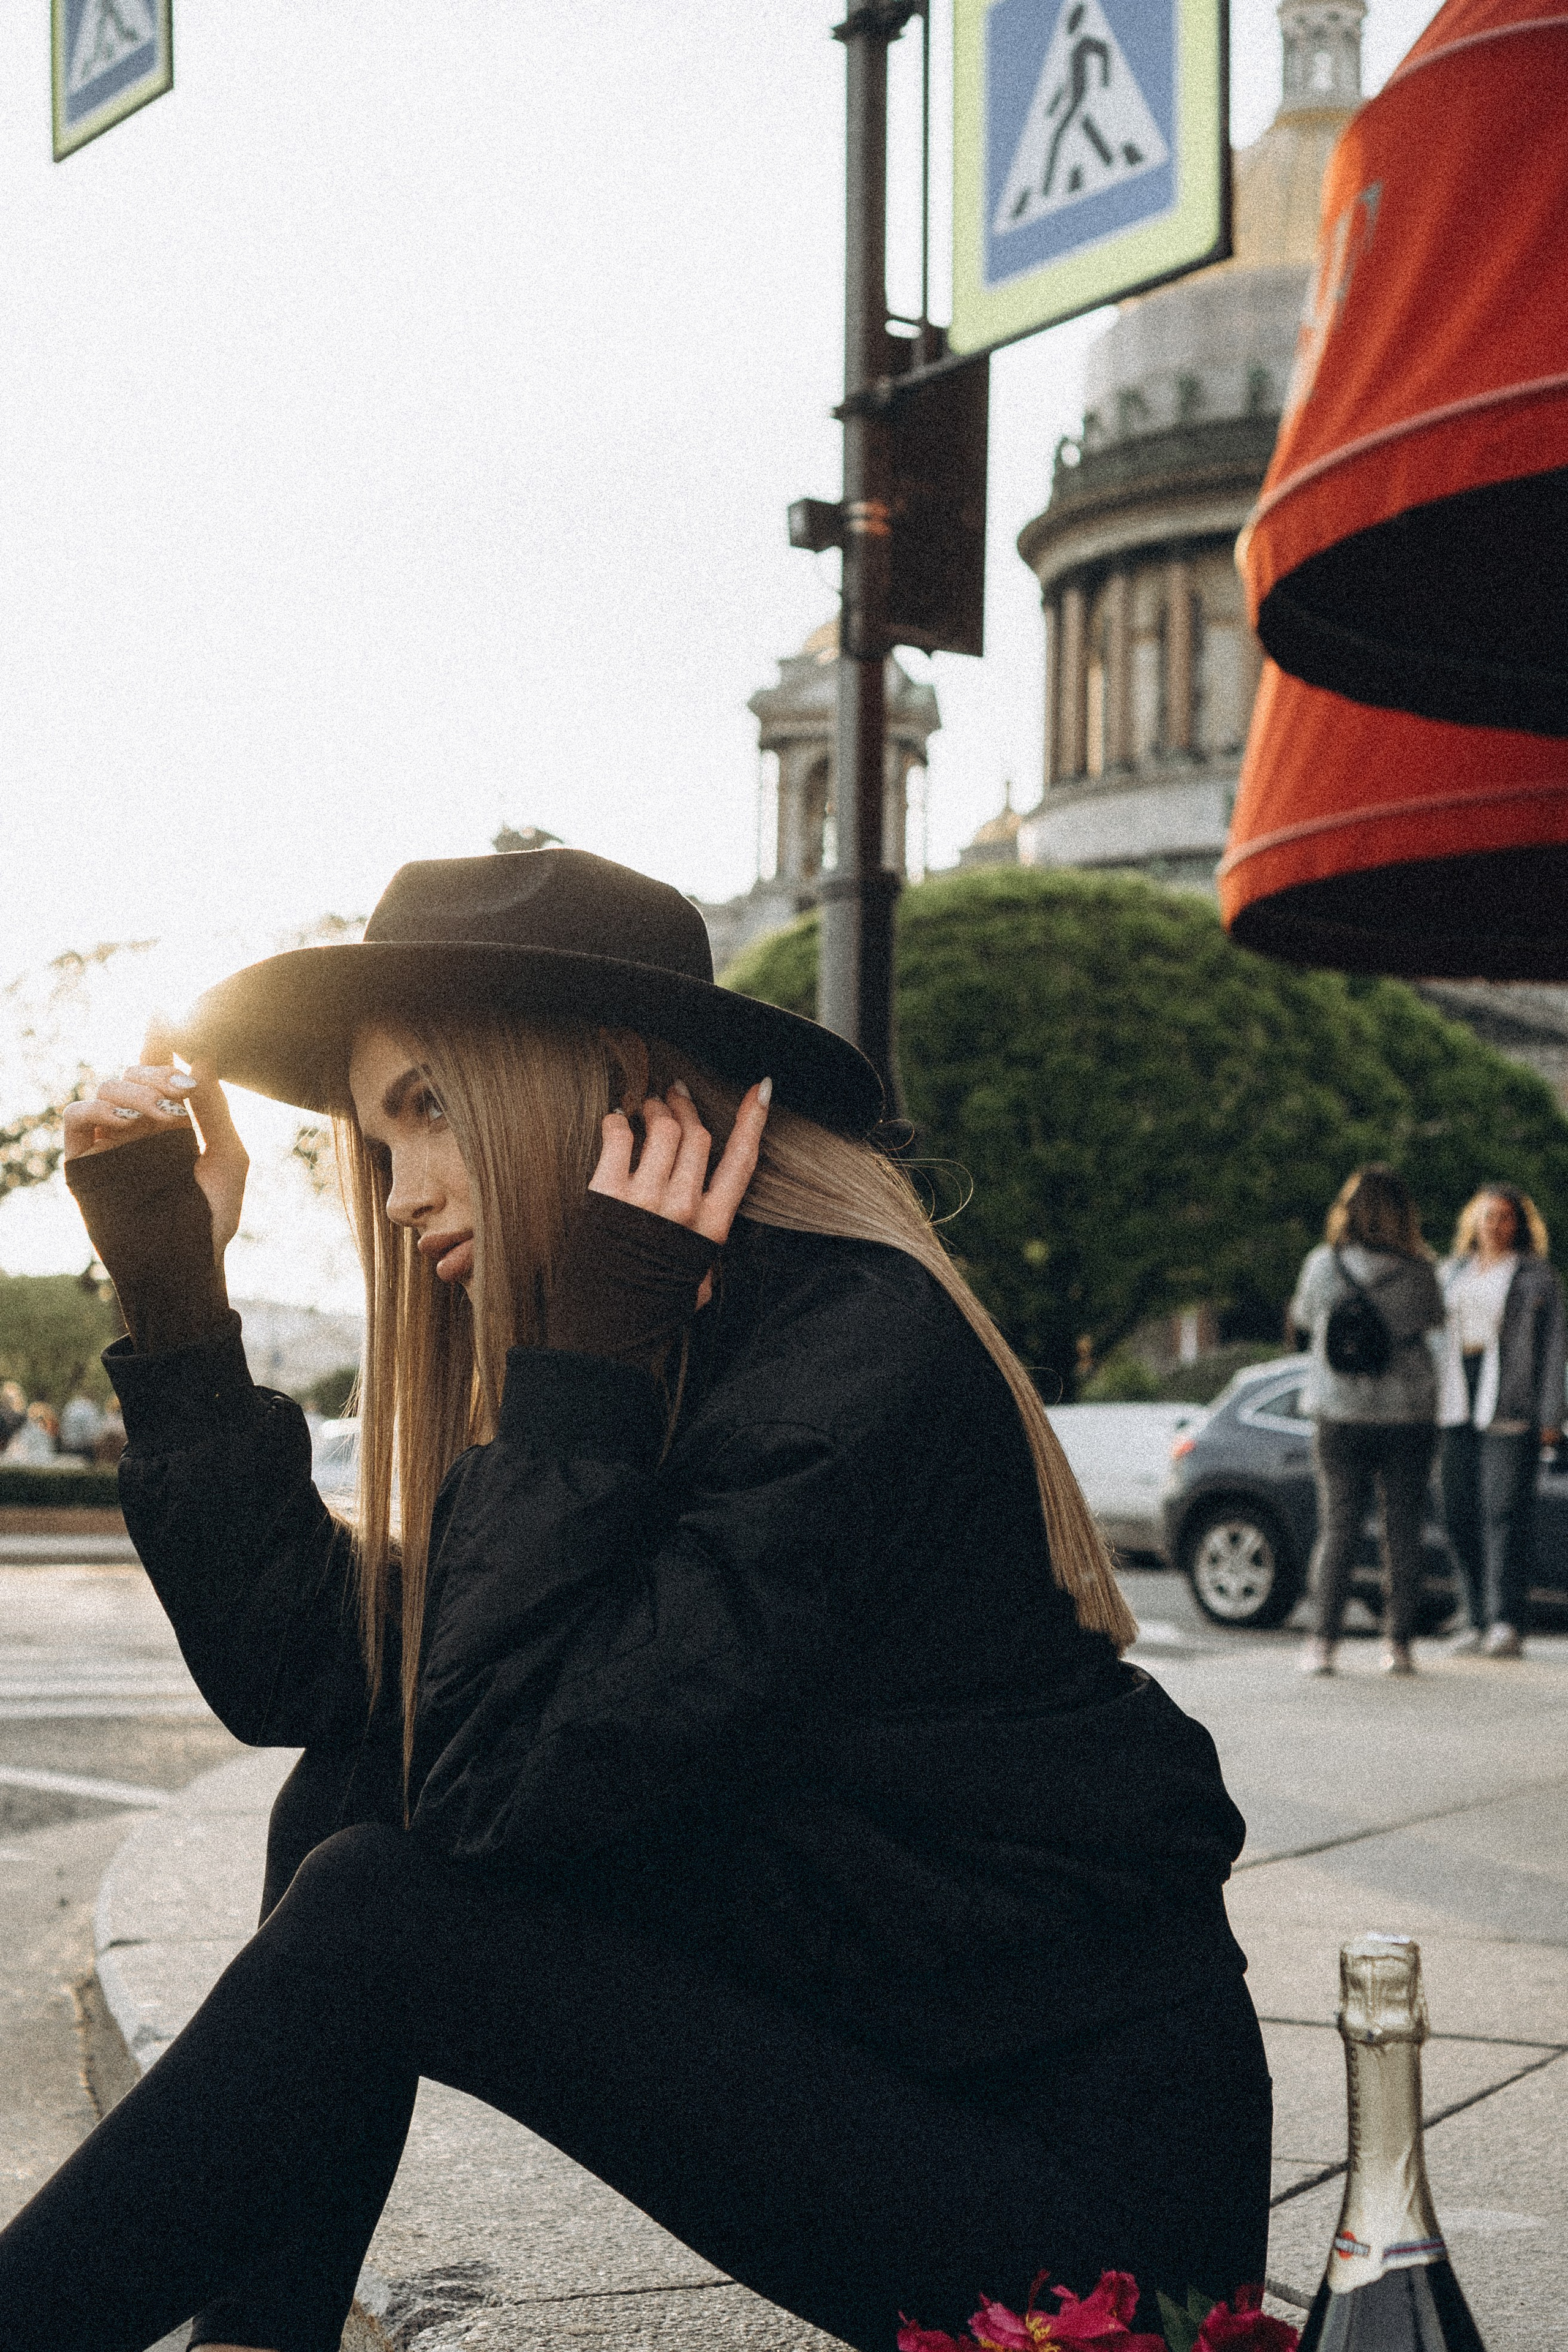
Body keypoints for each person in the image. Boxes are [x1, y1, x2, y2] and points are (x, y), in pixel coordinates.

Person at [0, 850, 1272, 2352]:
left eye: (425, 1109)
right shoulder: (648, 1332)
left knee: (375, 1901)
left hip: (1086, 2219)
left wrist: (584, 1369)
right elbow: (308, 1669)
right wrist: (168, 1281)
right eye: (371, 1134)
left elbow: (488, 1794)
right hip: (890, 2049)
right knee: (348, 1783)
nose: (398, 1192)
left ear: (601, 1088)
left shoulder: (851, 1353)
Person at [1289, 1165, 1444, 1677]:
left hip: (1338, 1412)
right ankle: (1398, 1644)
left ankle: (1323, 1643)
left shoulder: (1321, 1266)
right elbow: (1431, 1323)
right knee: (1403, 1532)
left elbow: (1308, 1320)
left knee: (1338, 1529)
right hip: (1407, 1415)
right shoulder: (1421, 1271)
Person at [1437, 1185, 1566, 1659]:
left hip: (1510, 1401)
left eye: (1505, 1217)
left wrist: (1551, 1414)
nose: (1495, 1225)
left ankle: (1505, 1621)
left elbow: (1554, 1350)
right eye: (1487, 1216)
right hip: (1455, 1395)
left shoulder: (1537, 1277)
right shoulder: (1451, 1273)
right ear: (1474, 1221)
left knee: (1505, 1514)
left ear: (1520, 1224)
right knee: (1457, 1511)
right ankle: (1472, 1617)